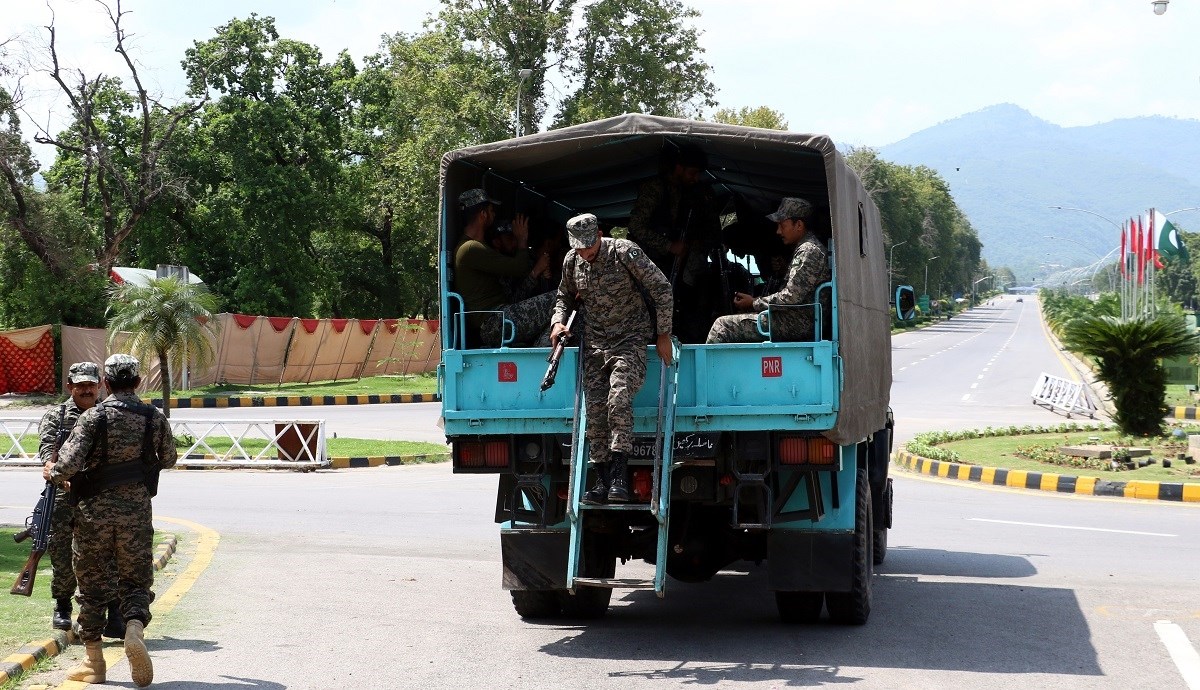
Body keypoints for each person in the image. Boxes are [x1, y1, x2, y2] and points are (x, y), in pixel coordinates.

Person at [45, 354, 177, 687]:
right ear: (137, 382)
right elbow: (169, 458)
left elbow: (65, 466)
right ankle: (133, 628)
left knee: (91, 586)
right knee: (134, 580)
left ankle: (95, 663)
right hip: (136, 512)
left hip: (93, 515)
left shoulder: (93, 418)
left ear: (106, 383)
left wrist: (54, 472)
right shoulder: (153, 417)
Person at [550, 213, 674, 504]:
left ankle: (620, 478)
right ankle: (602, 481)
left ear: (600, 234)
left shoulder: (624, 252)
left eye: (589, 246)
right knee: (594, 413)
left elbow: (661, 288)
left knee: (617, 399)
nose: (585, 253)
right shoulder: (572, 261)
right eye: (579, 247)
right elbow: (563, 297)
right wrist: (558, 321)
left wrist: (663, 333)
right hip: (595, 344)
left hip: (629, 338)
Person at [39, 361, 124, 638]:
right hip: (64, 497)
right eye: (80, 386)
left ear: (100, 384)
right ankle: (62, 607)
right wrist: (53, 471)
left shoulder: (110, 414)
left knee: (106, 556)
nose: (86, 390)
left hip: (102, 498)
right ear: (69, 387)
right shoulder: (57, 415)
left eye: (91, 384)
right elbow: (47, 451)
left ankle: (113, 611)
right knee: (62, 554)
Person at [627, 144, 722, 341]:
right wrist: (668, 245)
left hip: (677, 269)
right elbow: (636, 226)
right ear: (678, 168)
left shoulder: (690, 193)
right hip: (649, 265)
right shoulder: (654, 188)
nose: (694, 178)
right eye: (692, 173)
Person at [706, 197, 831, 344]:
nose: (778, 231)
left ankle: (707, 368)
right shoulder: (806, 249)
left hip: (797, 323)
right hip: (798, 319)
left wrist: (753, 303)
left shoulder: (809, 250)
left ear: (798, 225)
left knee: (721, 326)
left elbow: (791, 297)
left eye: (782, 225)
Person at [453, 188, 554, 347]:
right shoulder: (471, 248)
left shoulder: (478, 247)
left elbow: (511, 297)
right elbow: (519, 267)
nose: (494, 215)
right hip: (494, 324)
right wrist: (522, 240)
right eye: (491, 211)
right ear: (483, 214)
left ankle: (541, 348)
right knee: (560, 298)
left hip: (499, 319)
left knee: (561, 305)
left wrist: (536, 273)